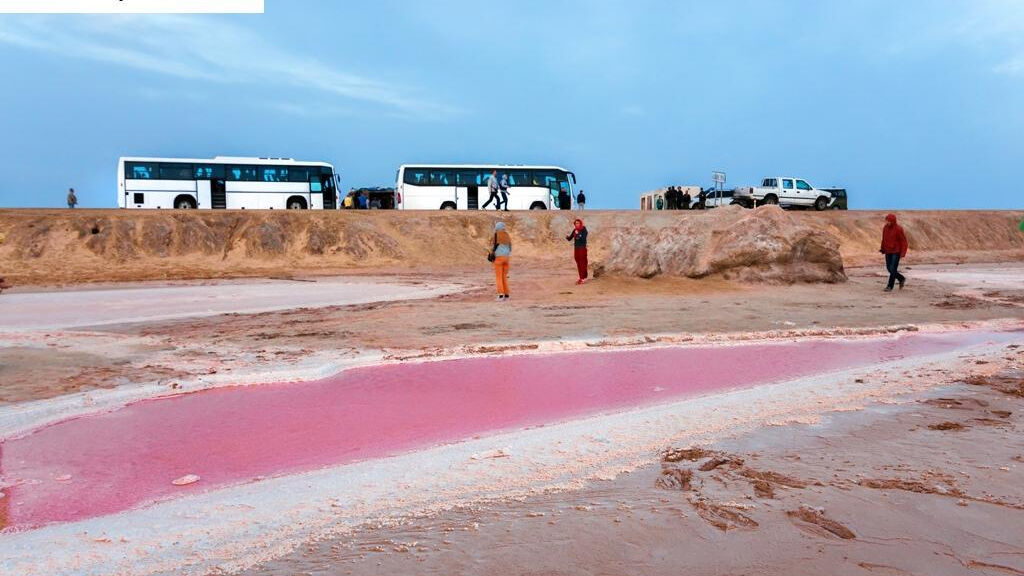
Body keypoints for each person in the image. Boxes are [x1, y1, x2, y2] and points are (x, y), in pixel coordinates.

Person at [880, 213, 909, 292]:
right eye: (886, 221)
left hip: (896, 251)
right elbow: (884, 239)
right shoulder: (885, 228)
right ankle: (901, 278)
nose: (887, 222)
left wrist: (903, 253)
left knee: (893, 268)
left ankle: (889, 286)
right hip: (888, 251)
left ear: (893, 221)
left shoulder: (898, 229)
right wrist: (882, 248)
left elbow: (904, 241)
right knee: (889, 268)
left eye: (889, 221)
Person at [490, 221, 512, 301]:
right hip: (507, 258)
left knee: (498, 277)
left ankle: (500, 295)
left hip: (498, 258)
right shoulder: (507, 235)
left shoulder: (495, 235)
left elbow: (491, 246)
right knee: (504, 277)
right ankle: (506, 295)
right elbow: (510, 248)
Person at [566, 218, 589, 285]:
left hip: (582, 248)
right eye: (575, 223)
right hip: (576, 248)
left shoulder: (584, 229)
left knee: (582, 262)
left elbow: (583, 238)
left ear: (580, 223)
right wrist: (567, 237)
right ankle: (582, 276)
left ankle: (582, 278)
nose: (576, 224)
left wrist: (578, 234)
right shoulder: (575, 230)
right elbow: (570, 238)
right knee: (578, 262)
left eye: (578, 223)